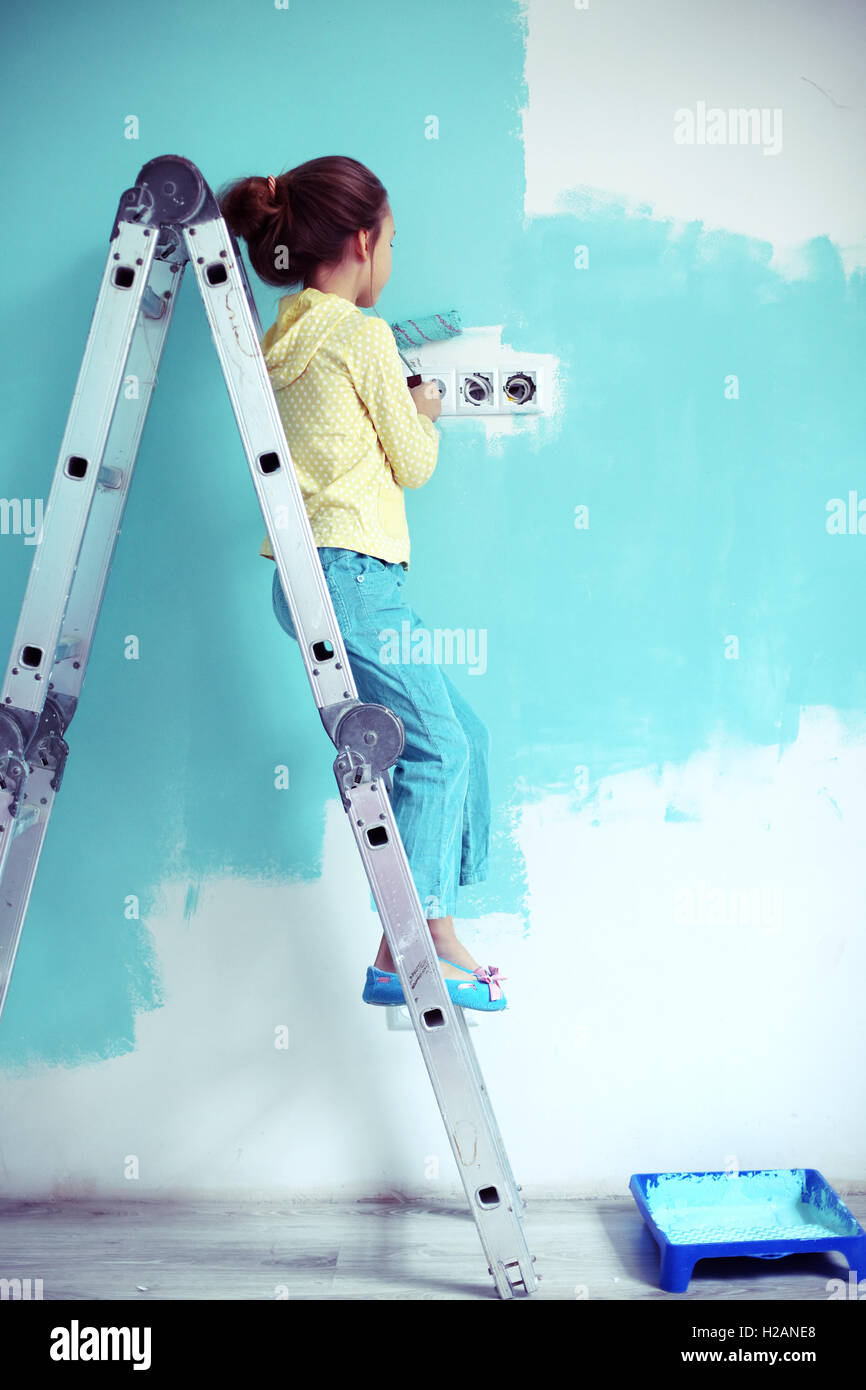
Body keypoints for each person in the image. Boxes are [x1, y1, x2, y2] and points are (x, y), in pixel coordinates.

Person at [218, 156, 506, 1012]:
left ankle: (435, 927)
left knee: (468, 736)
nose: (392, 259)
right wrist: (425, 411)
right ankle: (402, 950)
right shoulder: (363, 336)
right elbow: (412, 466)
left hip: (323, 577)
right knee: (441, 748)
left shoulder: (282, 335)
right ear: (363, 239)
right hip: (355, 577)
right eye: (392, 242)